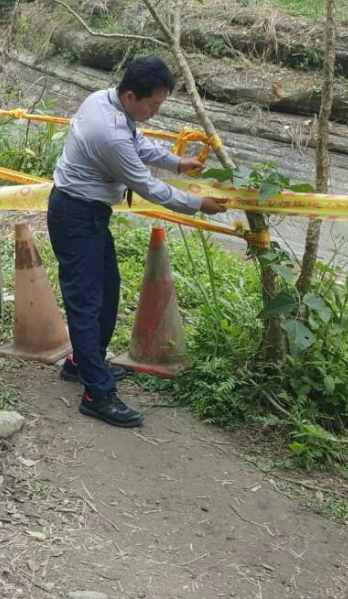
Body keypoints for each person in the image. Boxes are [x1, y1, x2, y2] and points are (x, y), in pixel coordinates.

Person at [48, 55, 228, 428]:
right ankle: (97, 394)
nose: (155, 110)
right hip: (76, 215)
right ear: (131, 95)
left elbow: (138, 142)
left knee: (107, 291)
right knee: (86, 303)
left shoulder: (107, 102)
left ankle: (82, 363)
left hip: (89, 213)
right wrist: (198, 204)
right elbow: (148, 186)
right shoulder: (108, 131)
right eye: (154, 103)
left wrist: (177, 162)